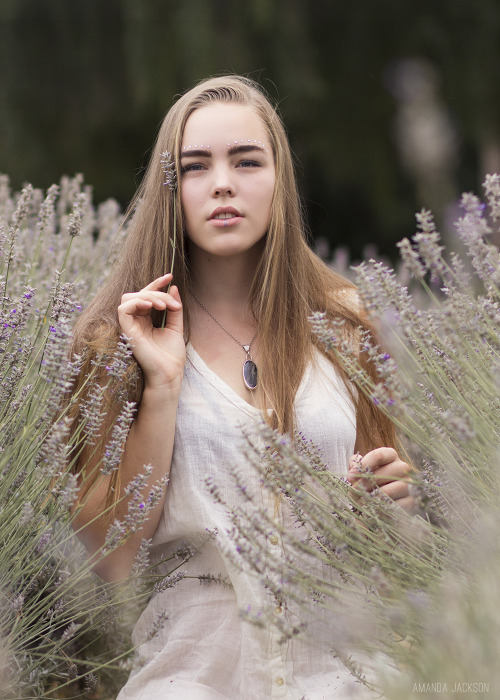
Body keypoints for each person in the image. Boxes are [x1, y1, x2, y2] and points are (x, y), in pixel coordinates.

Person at [70, 75, 413, 699]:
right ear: (171, 192)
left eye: (247, 161)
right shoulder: (114, 341)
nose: (223, 183)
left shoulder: (343, 323)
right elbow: (111, 561)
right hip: (194, 678)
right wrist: (165, 384)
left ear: (279, 181)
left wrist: (393, 502)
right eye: (196, 167)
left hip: (346, 678)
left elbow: (381, 540)